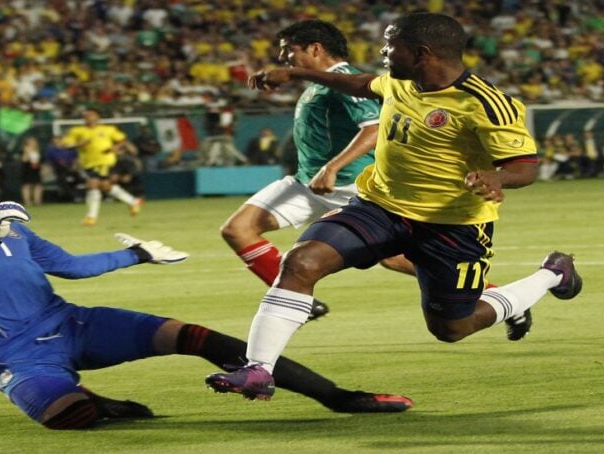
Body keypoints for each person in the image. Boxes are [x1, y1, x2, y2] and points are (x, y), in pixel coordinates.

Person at [0, 138, 413, 430]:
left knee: (199, 337)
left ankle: (339, 397)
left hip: (72, 323)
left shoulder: (7, 221)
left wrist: (137, 254)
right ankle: (92, 400)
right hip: (12, 355)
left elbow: (69, 266)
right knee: (72, 418)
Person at [207, 12, 583, 401]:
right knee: (301, 262)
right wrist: (296, 74)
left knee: (452, 328)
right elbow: (358, 83)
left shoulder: (487, 104)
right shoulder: (401, 82)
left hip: (451, 226)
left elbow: (525, 167)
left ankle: (552, 274)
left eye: (390, 45)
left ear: (421, 53)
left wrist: (497, 178)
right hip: (379, 207)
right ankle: (258, 370)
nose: (383, 52)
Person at [219, 20, 416, 324]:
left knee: (396, 259)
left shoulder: (347, 81)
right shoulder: (321, 84)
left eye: (288, 49)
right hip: (308, 183)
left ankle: (487, 293)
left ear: (315, 49)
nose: (283, 57)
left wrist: (332, 167)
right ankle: (297, 300)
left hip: (353, 187)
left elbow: (374, 127)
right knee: (237, 229)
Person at [59, 109, 143, 226]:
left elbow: (122, 140)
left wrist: (115, 147)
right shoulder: (77, 131)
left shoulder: (108, 129)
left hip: (106, 161)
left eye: (91, 115)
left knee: (93, 184)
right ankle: (133, 201)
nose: (89, 117)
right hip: (88, 163)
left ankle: (91, 217)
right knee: (105, 186)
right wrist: (78, 144)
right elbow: (65, 144)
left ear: (98, 117)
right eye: (86, 115)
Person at [19, 136, 44, 206]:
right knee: (27, 186)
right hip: (27, 170)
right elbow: (23, 160)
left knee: (38, 185)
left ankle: (37, 201)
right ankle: (27, 201)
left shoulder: (38, 151)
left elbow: (41, 160)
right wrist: (27, 152)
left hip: (36, 170)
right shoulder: (24, 150)